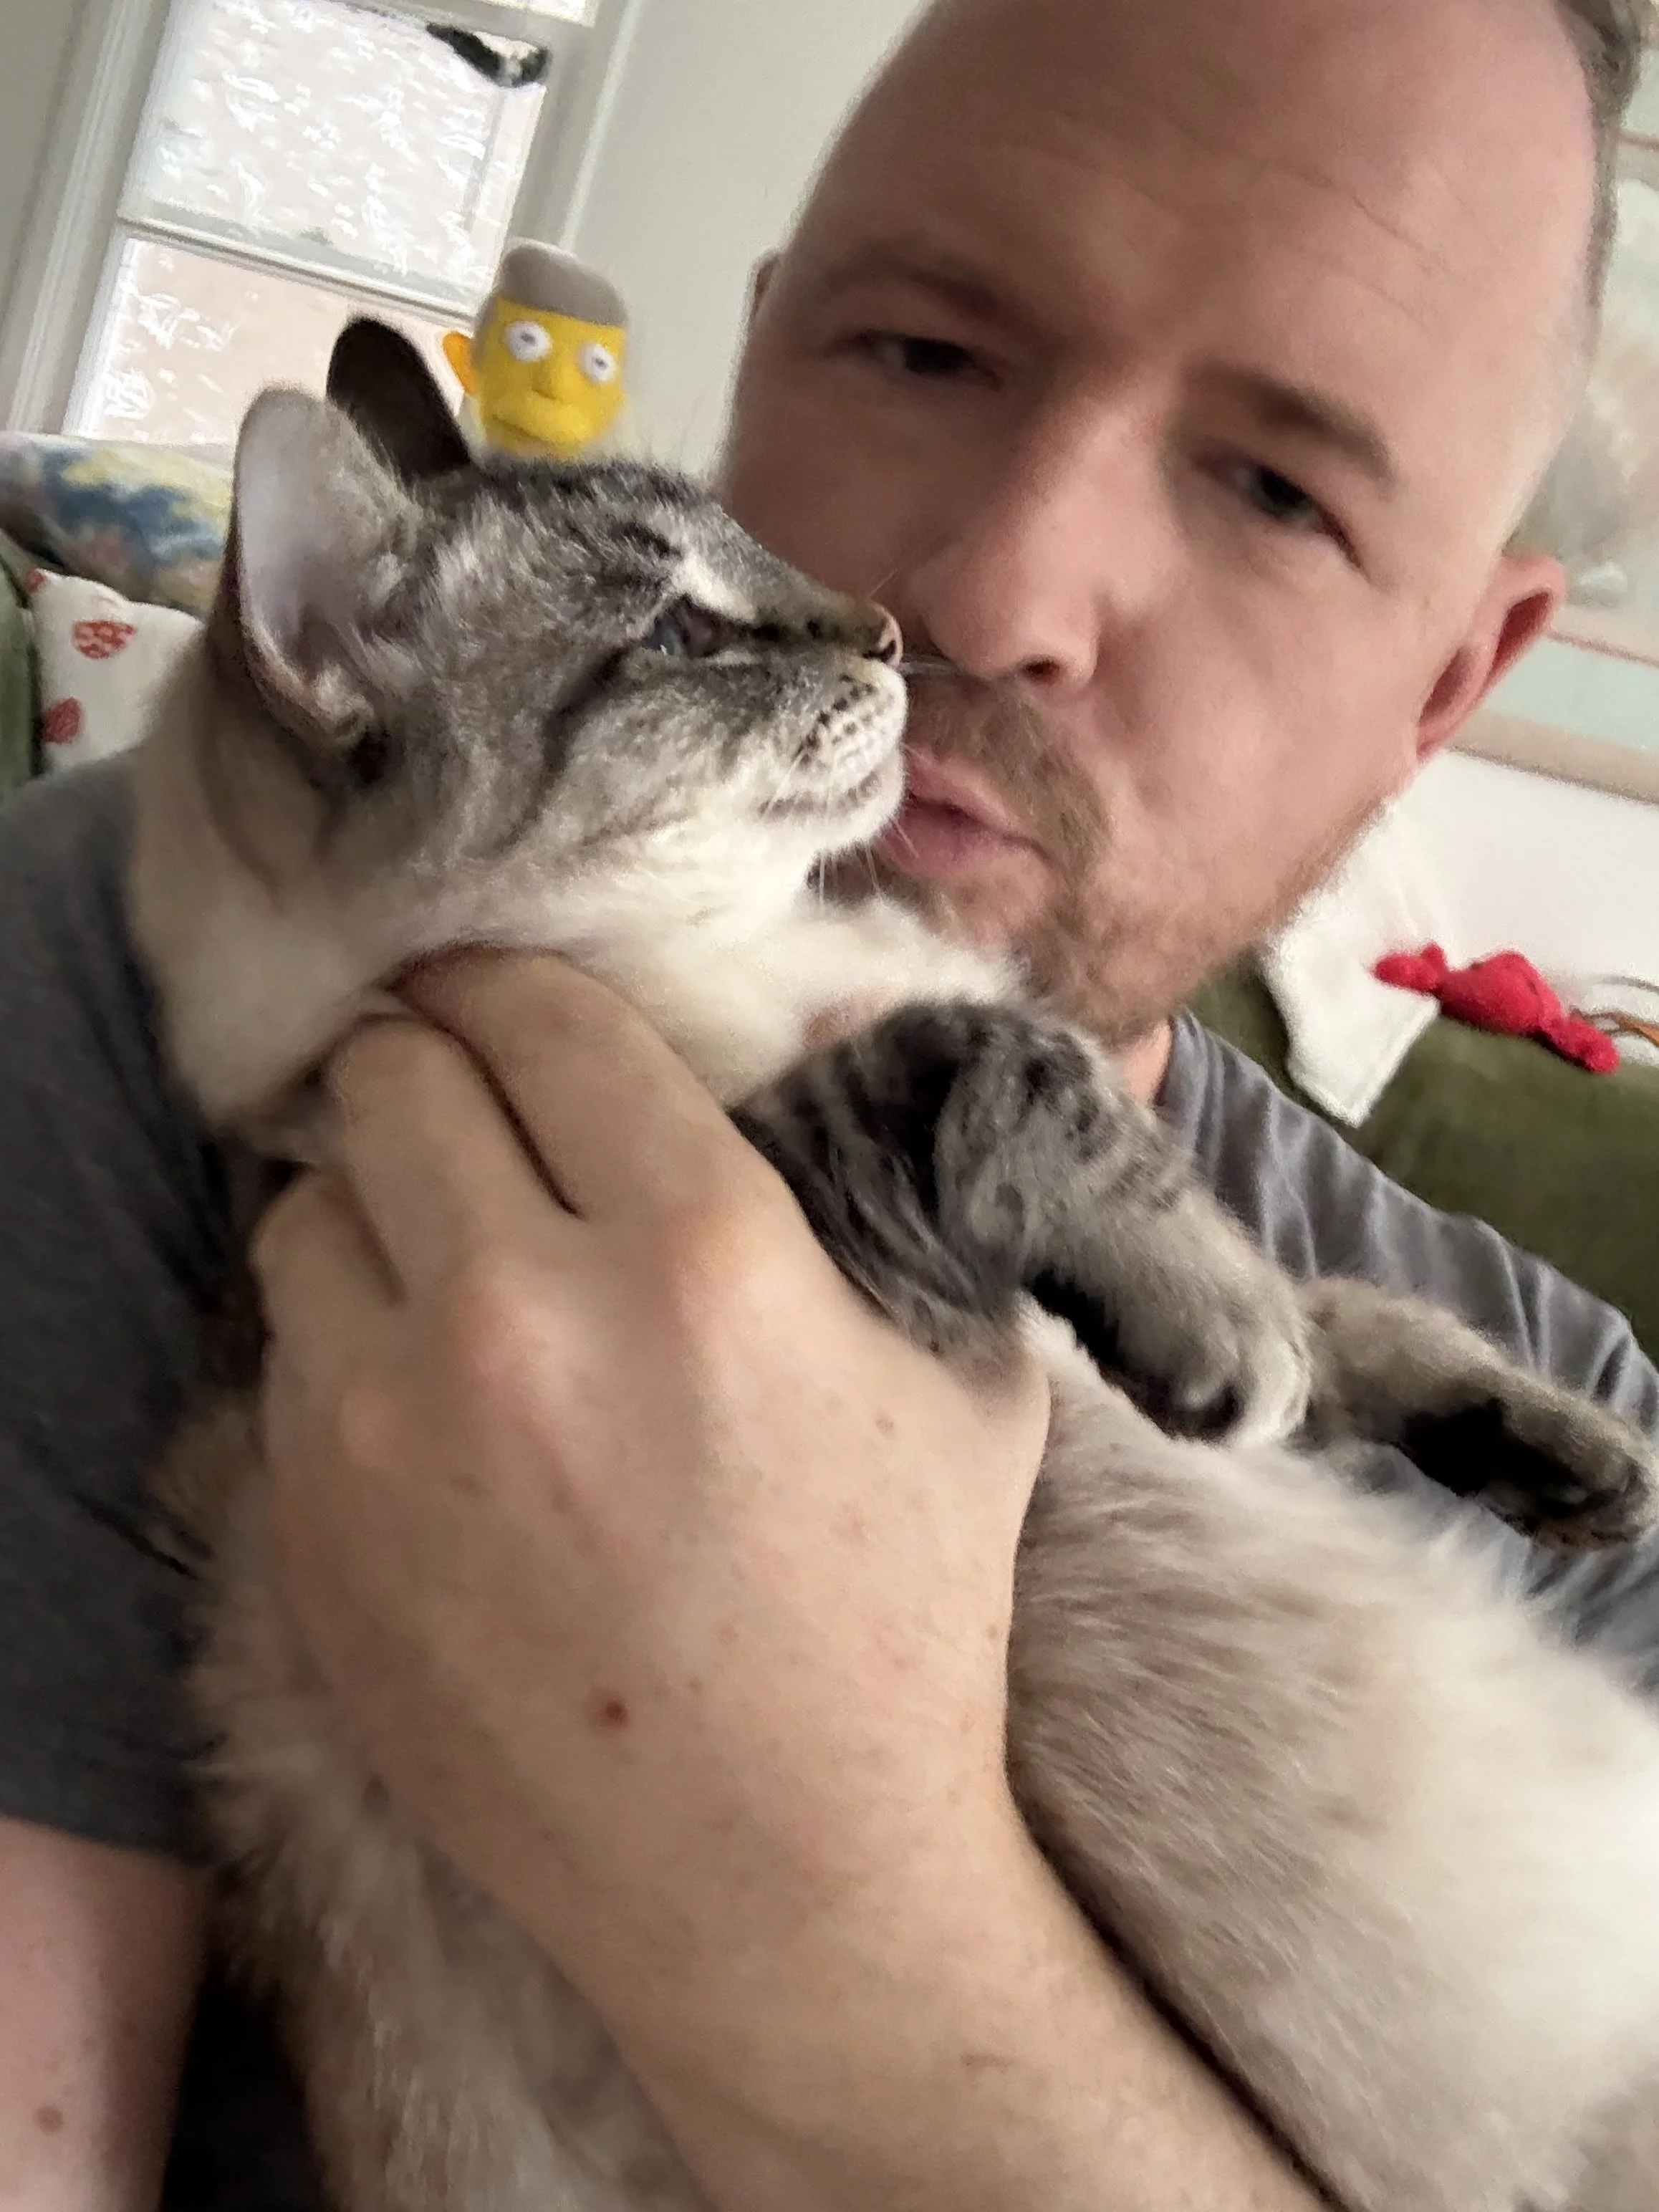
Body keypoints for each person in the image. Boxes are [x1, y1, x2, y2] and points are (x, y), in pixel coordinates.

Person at [3, 0, 1656, 2204]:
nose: (980, 600)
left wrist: (832, 1922)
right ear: (761, 350)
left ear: (1446, 676)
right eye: (922, 351)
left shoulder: (1581, 1443)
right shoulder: (111, 973)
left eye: (1273, 487)